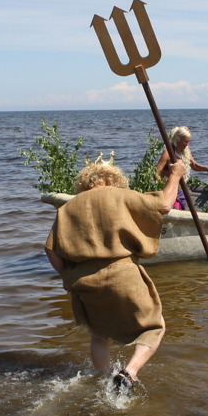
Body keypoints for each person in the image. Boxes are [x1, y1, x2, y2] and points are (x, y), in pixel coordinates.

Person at [44, 159, 186, 391]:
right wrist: (176, 176)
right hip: (123, 273)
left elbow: (49, 248)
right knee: (154, 327)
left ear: (84, 182)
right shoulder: (120, 195)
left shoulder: (68, 207)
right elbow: (163, 205)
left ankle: (102, 380)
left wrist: (67, 276)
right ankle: (128, 374)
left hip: (84, 281)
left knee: (99, 334)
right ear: (112, 179)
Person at [155, 126, 208, 210]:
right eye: (185, 142)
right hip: (168, 187)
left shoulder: (186, 151)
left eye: (189, 141)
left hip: (180, 188)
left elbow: (194, 165)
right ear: (177, 140)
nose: (187, 144)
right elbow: (156, 173)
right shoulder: (168, 152)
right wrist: (162, 185)